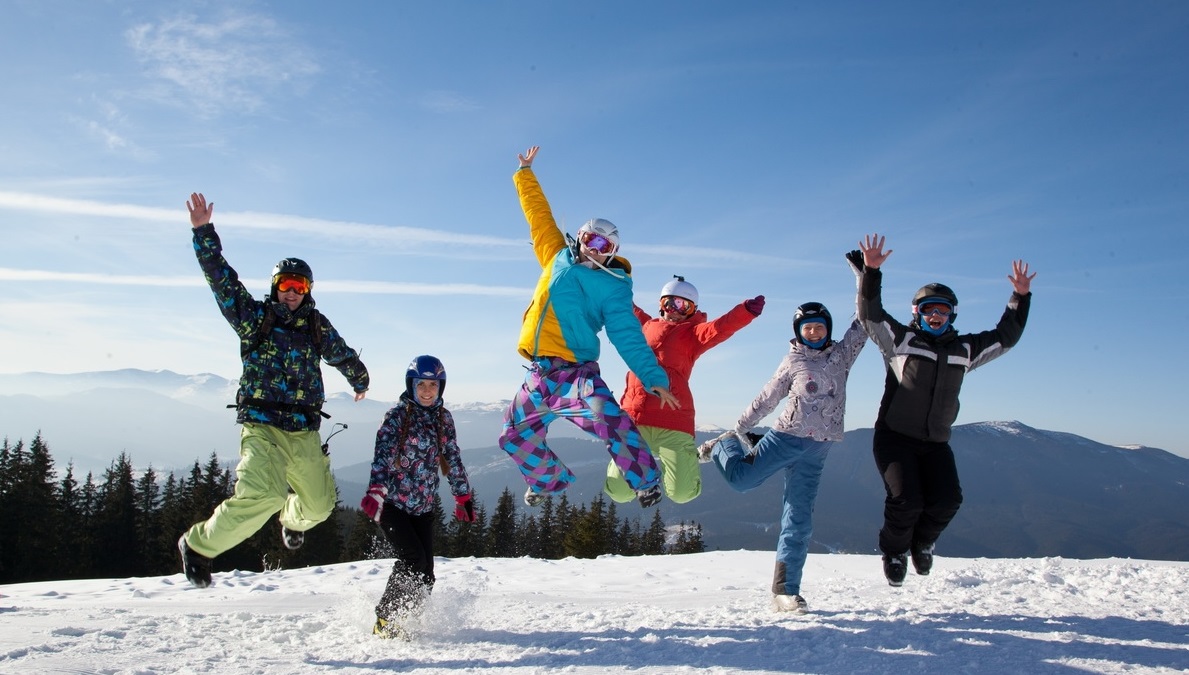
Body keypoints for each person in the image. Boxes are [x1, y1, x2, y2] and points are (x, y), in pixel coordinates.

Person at [178, 192, 370, 589]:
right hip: (262, 425)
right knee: (262, 495)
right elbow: (221, 279)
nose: (291, 292)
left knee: (318, 505)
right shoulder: (254, 319)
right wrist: (203, 233)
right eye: (285, 284)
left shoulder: (316, 325)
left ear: (308, 290)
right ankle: (197, 546)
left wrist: (359, 378)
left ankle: (292, 520)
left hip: (303, 429)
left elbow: (340, 352)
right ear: (275, 286)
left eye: (299, 285)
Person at [498, 145, 680, 509]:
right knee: (513, 435)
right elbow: (539, 218)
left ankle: (645, 481)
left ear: (612, 252)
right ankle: (547, 481)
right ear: (579, 237)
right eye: (590, 238)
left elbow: (627, 335)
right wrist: (525, 174)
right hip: (538, 374)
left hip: (574, 374)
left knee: (607, 416)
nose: (594, 248)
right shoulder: (555, 255)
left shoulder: (613, 287)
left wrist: (654, 378)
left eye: (604, 245)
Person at [849, 233, 1034, 587]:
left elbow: (1005, 337)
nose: (936, 315)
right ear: (916, 313)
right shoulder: (900, 340)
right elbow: (870, 314)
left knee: (948, 500)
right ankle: (894, 552)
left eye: (943, 310)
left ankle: (922, 544)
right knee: (906, 501)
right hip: (895, 437)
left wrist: (1020, 297)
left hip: (935, 441)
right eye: (929, 309)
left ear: (952, 314)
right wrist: (870, 273)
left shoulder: (964, 349)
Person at [698, 301, 866, 613]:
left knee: (799, 520)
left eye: (819, 326)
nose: (814, 332)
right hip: (785, 437)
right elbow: (768, 397)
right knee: (741, 480)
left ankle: (785, 591)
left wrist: (868, 276)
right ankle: (722, 445)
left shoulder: (841, 356)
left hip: (818, 449)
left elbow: (863, 323)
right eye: (807, 328)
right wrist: (738, 428)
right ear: (799, 333)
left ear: (828, 329)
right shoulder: (793, 360)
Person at [605, 276, 764, 504]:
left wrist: (745, 311)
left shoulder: (693, 335)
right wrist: (605, 280)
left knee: (682, 494)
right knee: (619, 492)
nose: (675, 310)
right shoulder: (645, 325)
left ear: (692, 310)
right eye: (670, 303)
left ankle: (705, 452)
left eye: (683, 305)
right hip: (635, 419)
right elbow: (624, 304)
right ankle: (644, 473)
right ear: (661, 305)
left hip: (673, 420)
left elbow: (720, 328)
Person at [361, 355, 474, 639]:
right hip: (393, 504)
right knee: (412, 559)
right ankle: (386, 620)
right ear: (411, 385)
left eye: (433, 385)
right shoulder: (396, 416)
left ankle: (407, 620)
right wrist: (376, 490)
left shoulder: (443, 418)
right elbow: (382, 456)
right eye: (421, 384)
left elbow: (452, 456)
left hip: (423, 507)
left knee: (426, 575)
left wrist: (463, 495)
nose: (427, 390)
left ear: (441, 387)